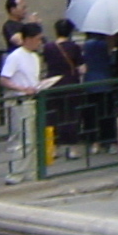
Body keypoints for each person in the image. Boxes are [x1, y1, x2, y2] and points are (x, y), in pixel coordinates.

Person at [0, 22, 50, 184]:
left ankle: (30, 171)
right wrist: (21, 88)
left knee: (33, 138)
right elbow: (4, 79)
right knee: (22, 138)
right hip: (21, 100)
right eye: (37, 39)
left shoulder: (34, 57)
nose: (39, 43)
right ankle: (16, 173)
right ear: (28, 39)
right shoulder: (15, 56)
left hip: (33, 98)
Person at [43, 18, 88, 161]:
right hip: (71, 85)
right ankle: (72, 149)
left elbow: (46, 64)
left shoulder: (48, 47)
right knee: (71, 116)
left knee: (53, 116)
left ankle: (54, 148)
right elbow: (82, 68)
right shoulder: (74, 47)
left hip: (52, 85)